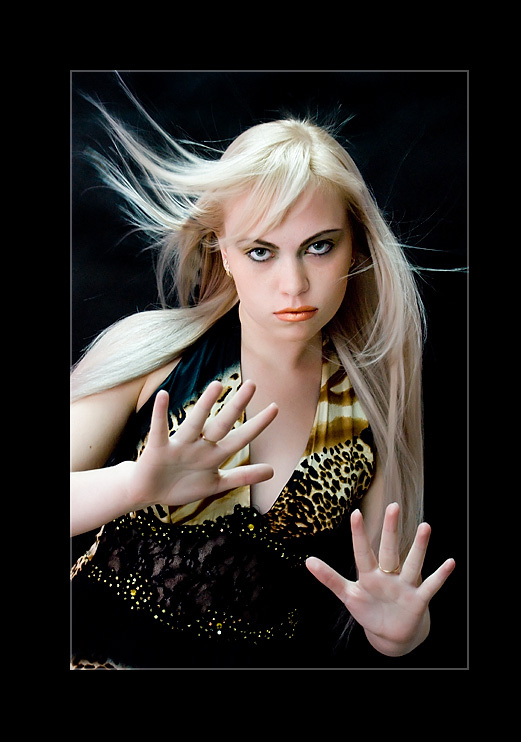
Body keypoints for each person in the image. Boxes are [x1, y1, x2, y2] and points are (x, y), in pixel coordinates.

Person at [70, 90, 456, 669]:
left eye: (318, 247)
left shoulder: (373, 405)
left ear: (355, 247)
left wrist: (404, 631)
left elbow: (389, 604)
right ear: (222, 251)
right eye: (260, 251)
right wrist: (134, 484)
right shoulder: (153, 356)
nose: (293, 284)